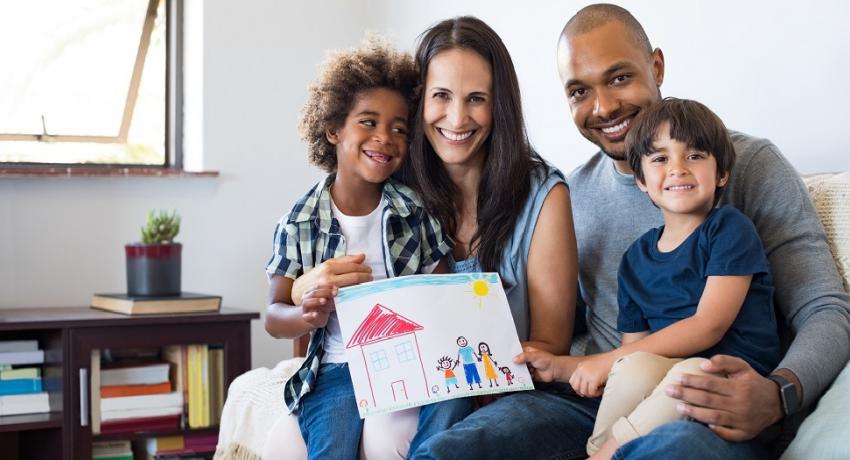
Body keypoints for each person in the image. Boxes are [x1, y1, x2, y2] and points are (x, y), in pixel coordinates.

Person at [420, 4, 850, 459]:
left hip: (707, 409)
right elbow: (576, 327)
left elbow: (825, 309)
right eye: (579, 91)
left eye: (620, 77)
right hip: (598, 401)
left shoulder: (747, 165)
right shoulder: (571, 194)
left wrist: (778, 393)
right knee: (454, 449)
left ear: (656, 66)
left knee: (672, 448)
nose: (603, 107)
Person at [296, 15, 579, 458]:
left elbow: (550, 344)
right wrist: (304, 285)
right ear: (418, 102)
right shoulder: (392, 185)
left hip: (501, 387)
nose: (457, 117)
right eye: (441, 96)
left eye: (477, 99)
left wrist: (479, 376)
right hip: (401, 380)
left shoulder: (544, 195)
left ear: (499, 106)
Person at [525, 98, 782, 459]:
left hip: (729, 380)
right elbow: (634, 353)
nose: (677, 169)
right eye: (661, 159)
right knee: (634, 367)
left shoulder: (728, 229)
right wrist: (565, 367)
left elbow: (709, 326)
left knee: (689, 372)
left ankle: (607, 454)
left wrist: (609, 359)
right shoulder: (635, 259)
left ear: (722, 172)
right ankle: (599, 450)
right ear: (641, 180)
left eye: (694, 156)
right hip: (666, 384)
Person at [261, 37, 453, 459]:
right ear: (333, 129)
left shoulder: (414, 211)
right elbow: (273, 316)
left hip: (407, 359)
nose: (385, 137)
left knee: (444, 414)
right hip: (336, 368)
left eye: (399, 128)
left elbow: (445, 292)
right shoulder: (298, 221)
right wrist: (307, 313)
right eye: (368, 122)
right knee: (332, 446)